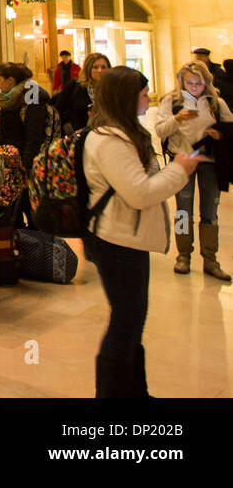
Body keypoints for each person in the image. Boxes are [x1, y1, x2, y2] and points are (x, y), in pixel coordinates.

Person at [83, 66, 199, 397]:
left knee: (132, 320)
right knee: (126, 321)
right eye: (144, 93)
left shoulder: (126, 133)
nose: (149, 98)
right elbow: (139, 193)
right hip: (115, 241)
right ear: (125, 97)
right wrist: (179, 170)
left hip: (127, 238)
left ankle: (136, 392)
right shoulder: (109, 140)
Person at [154, 61, 233, 281]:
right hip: (183, 160)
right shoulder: (171, 101)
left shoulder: (217, 102)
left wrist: (219, 133)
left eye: (199, 82)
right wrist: (177, 119)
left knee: (210, 211)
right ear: (182, 82)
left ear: (207, 82)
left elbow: (230, 127)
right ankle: (183, 256)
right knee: (183, 210)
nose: (195, 86)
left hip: (210, 161)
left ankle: (210, 259)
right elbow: (160, 130)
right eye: (190, 82)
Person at [0, 62, 52, 228]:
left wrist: (26, 166)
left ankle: (37, 248)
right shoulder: (8, 97)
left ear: (11, 80)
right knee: (11, 211)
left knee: (28, 210)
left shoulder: (32, 96)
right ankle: (18, 245)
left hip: (23, 163)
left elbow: (33, 135)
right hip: (8, 162)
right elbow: (2, 129)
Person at [57, 52, 110, 133]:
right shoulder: (75, 86)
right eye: (95, 67)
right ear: (88, 68)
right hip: (77, 135)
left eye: (103, 67)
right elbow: (59, 109)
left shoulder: (110, 90)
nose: (100, 70)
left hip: (103, 134)